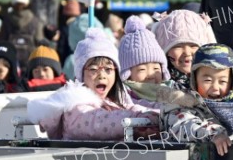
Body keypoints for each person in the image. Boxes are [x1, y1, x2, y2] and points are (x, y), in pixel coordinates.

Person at [27, 28, 158, 140]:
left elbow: (132, 106)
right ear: (81, 74)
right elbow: (99, 122)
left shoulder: (113, 100)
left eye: (108, 69)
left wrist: (163, 111)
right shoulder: (74, 106)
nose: (102, 75)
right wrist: (137, 118)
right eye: (94, 69)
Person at [163, 43, 233, 156]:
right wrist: (213, 134)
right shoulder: (181, 102)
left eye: (222, 82)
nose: (215, 87)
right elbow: (183, 124)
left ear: (232, 84)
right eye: (207, 80)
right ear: (194, 80)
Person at [153, 9, 217, 91]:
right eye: (178, 46)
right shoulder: (157, 84)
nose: (187, 53)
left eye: (193, 45)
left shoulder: (217, 80)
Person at [118, 15, 172, 109]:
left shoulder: (171, 91)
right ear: (127, 74)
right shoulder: (124, 96)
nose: (151, 74)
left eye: (156, 68)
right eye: (142, 69)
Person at [0, 0, 44, 72]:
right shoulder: (35, 21)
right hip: (30, 60)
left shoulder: (7, 20)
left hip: (10, 60)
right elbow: (40, 40)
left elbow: (1, 40)